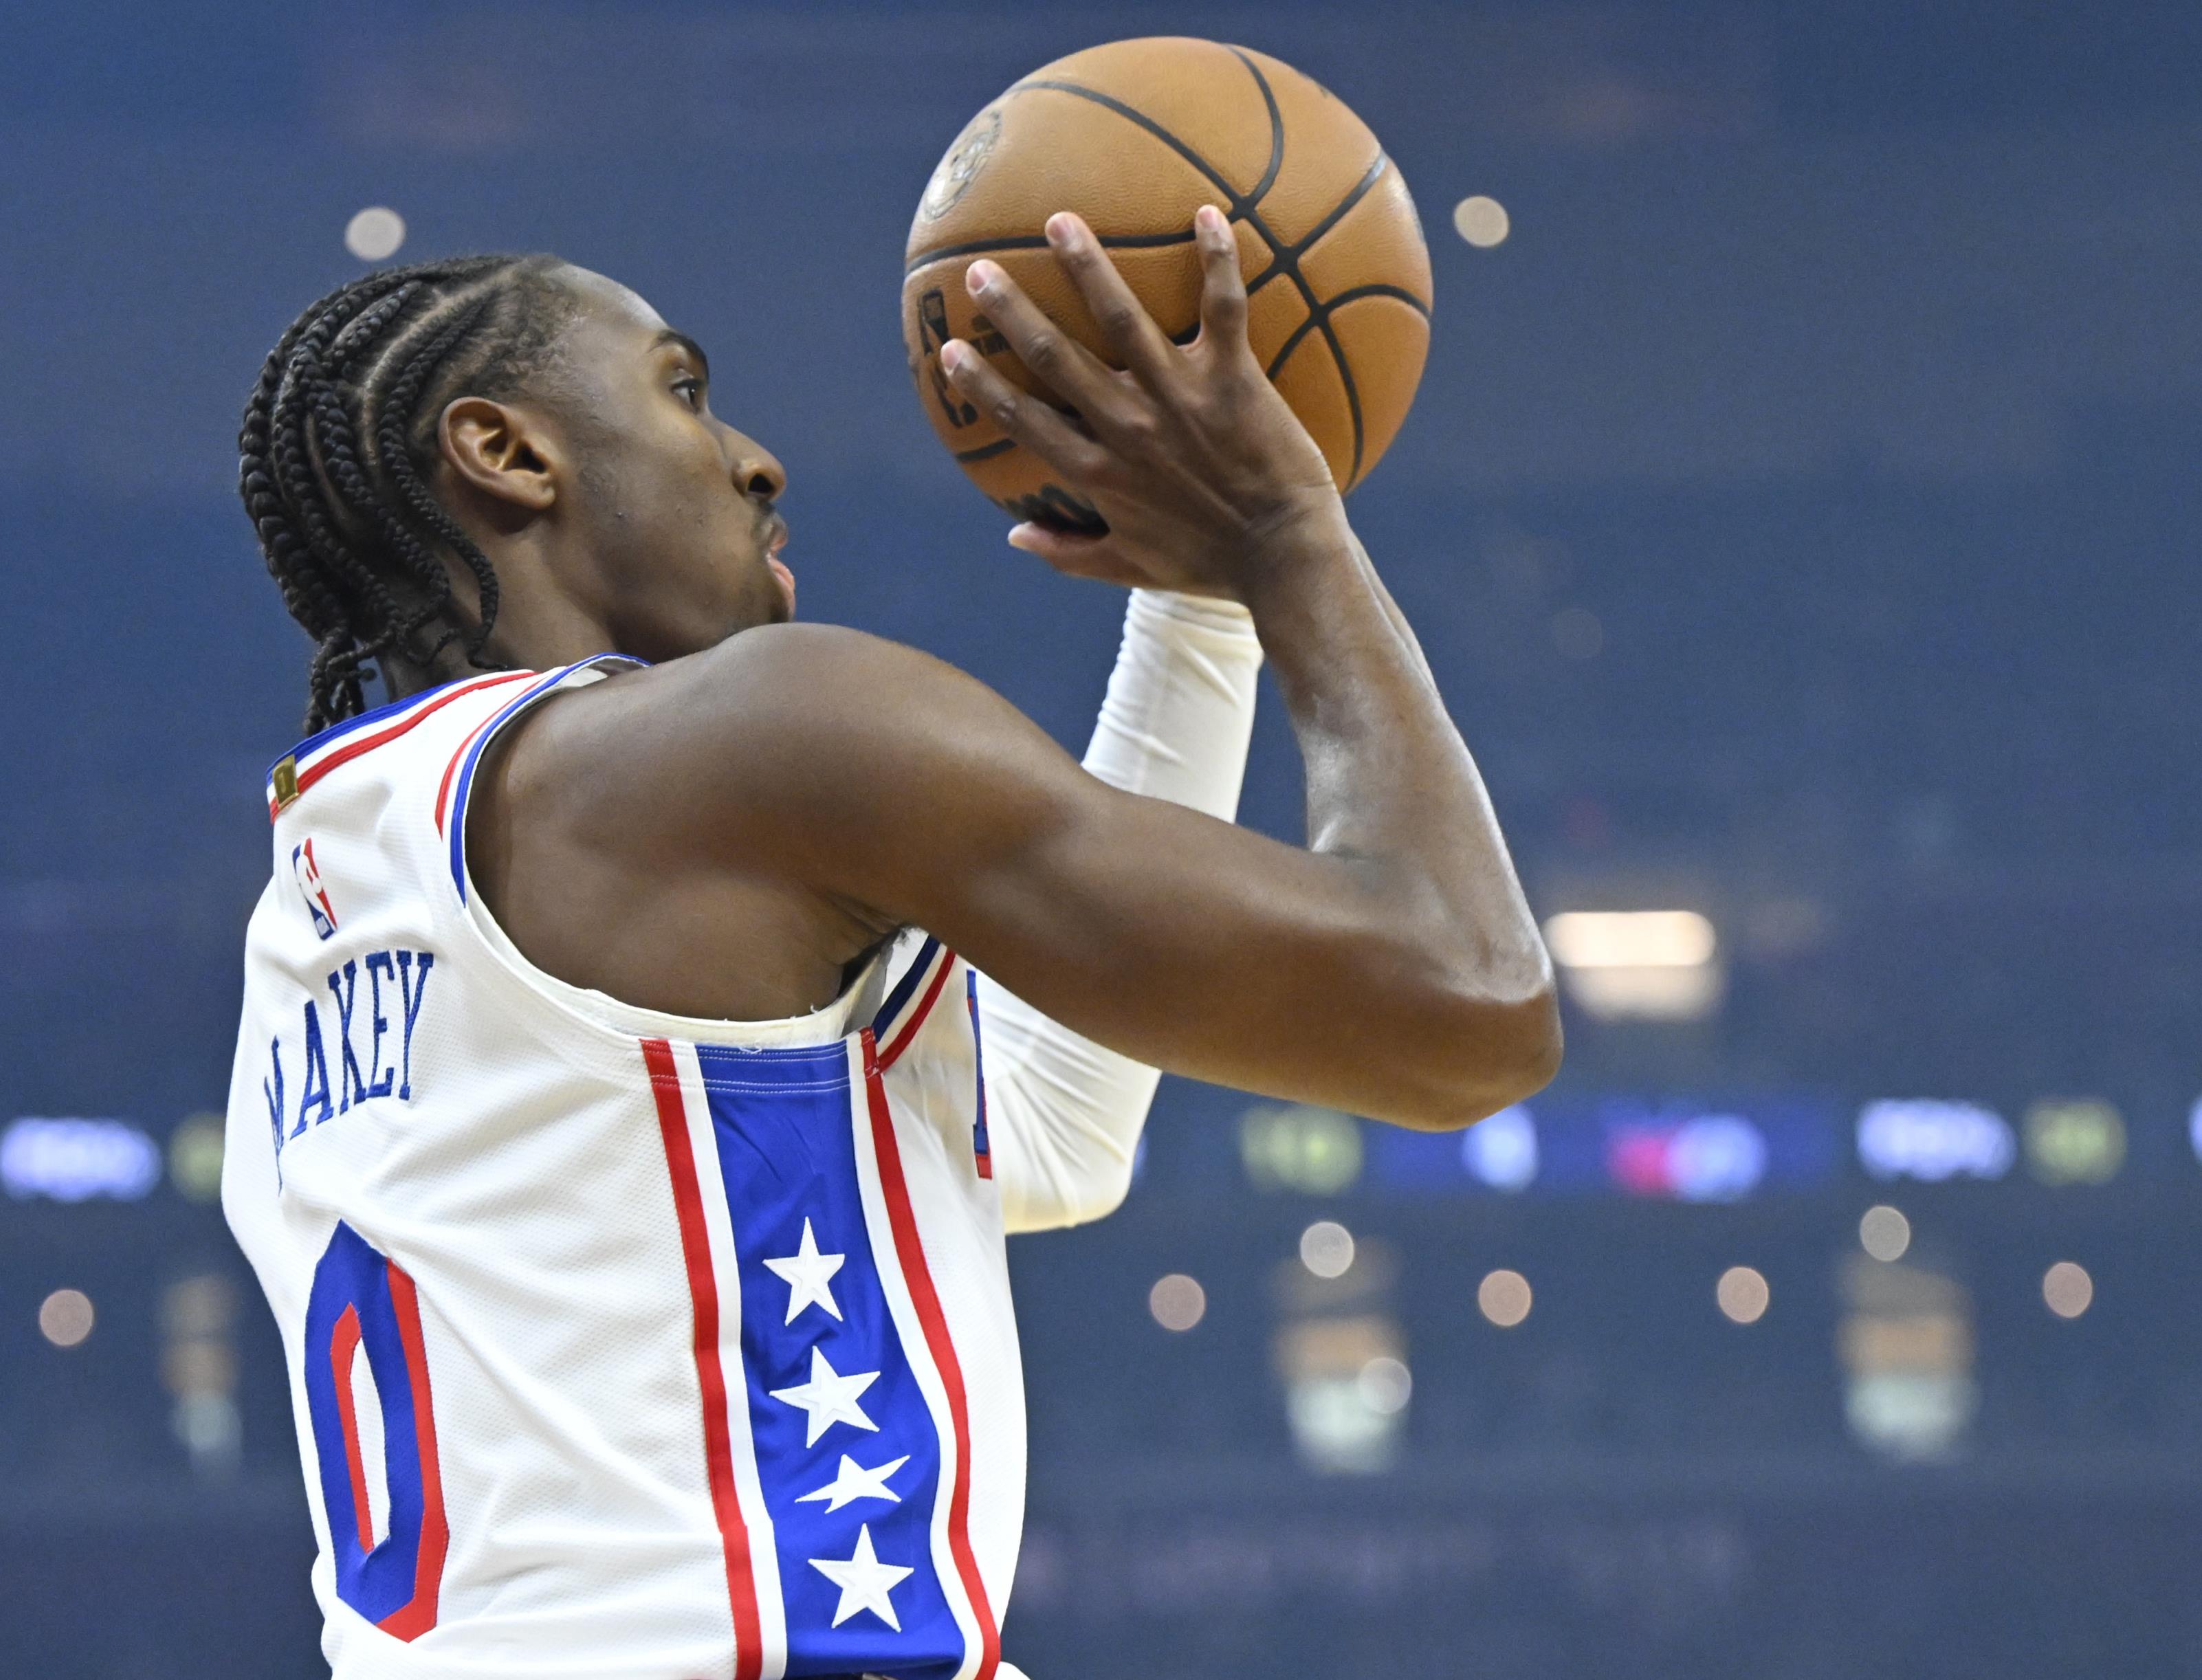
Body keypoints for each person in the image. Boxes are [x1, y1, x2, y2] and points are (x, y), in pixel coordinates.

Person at [222, 205, 1557, 1680]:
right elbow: (1467, 1005)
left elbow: (1048, 1136)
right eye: (681, 389)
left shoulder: (316, 910)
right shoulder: (755, 733)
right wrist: (1286, 534)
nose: (755, 459)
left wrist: (1196, 611)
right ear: (506, 452)